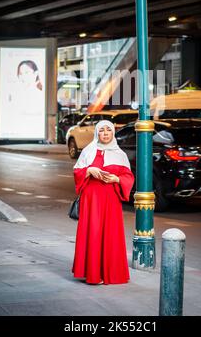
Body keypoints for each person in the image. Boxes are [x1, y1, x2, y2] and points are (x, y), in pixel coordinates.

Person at [71, 120, 135, 285]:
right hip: (91, 199)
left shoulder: (120, 154)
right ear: (97, 133)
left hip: (111, 200)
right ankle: (92, 274)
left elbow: (128, 177)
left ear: (113, 133)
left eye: (108, 130)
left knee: (110, 233)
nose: (105, 133)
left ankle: (110, 274)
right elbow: (77, 172)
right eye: (102, 131)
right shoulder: (88, 151)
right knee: (92, 232)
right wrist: (89, 170)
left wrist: (117, 178)